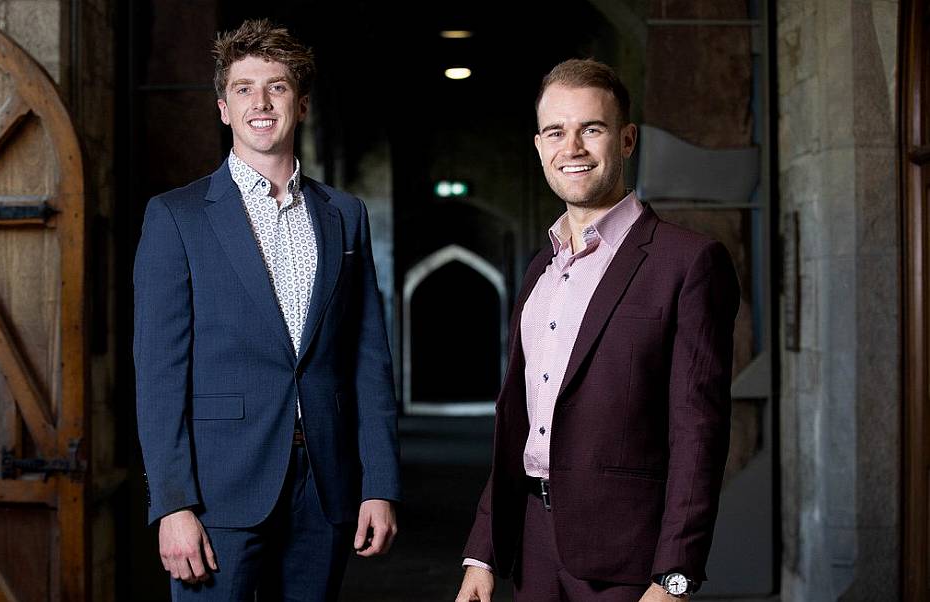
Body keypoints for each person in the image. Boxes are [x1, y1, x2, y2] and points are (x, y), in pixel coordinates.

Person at [133, 19, 400, 601]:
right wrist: (172, 504)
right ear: (224, 108)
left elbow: (368, 358)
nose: (261, 102)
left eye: (276, 87)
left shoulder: (344, 214)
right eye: (243, 88)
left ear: (300, 105)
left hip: (325, 485)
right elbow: (158, 375)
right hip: (218, 491)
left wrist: (379, 484)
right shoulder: (176, 217)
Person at [455, 58, 740, 602]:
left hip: (630, 563)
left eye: (592, 129)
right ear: (539, 147)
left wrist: (674, 578)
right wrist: (483, 552)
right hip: (533, 553)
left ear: (627, 140)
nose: (574, 147)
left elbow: (699, 432)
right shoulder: (540, 268)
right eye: (556, 132)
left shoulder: (688, 262)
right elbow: (519, 421)